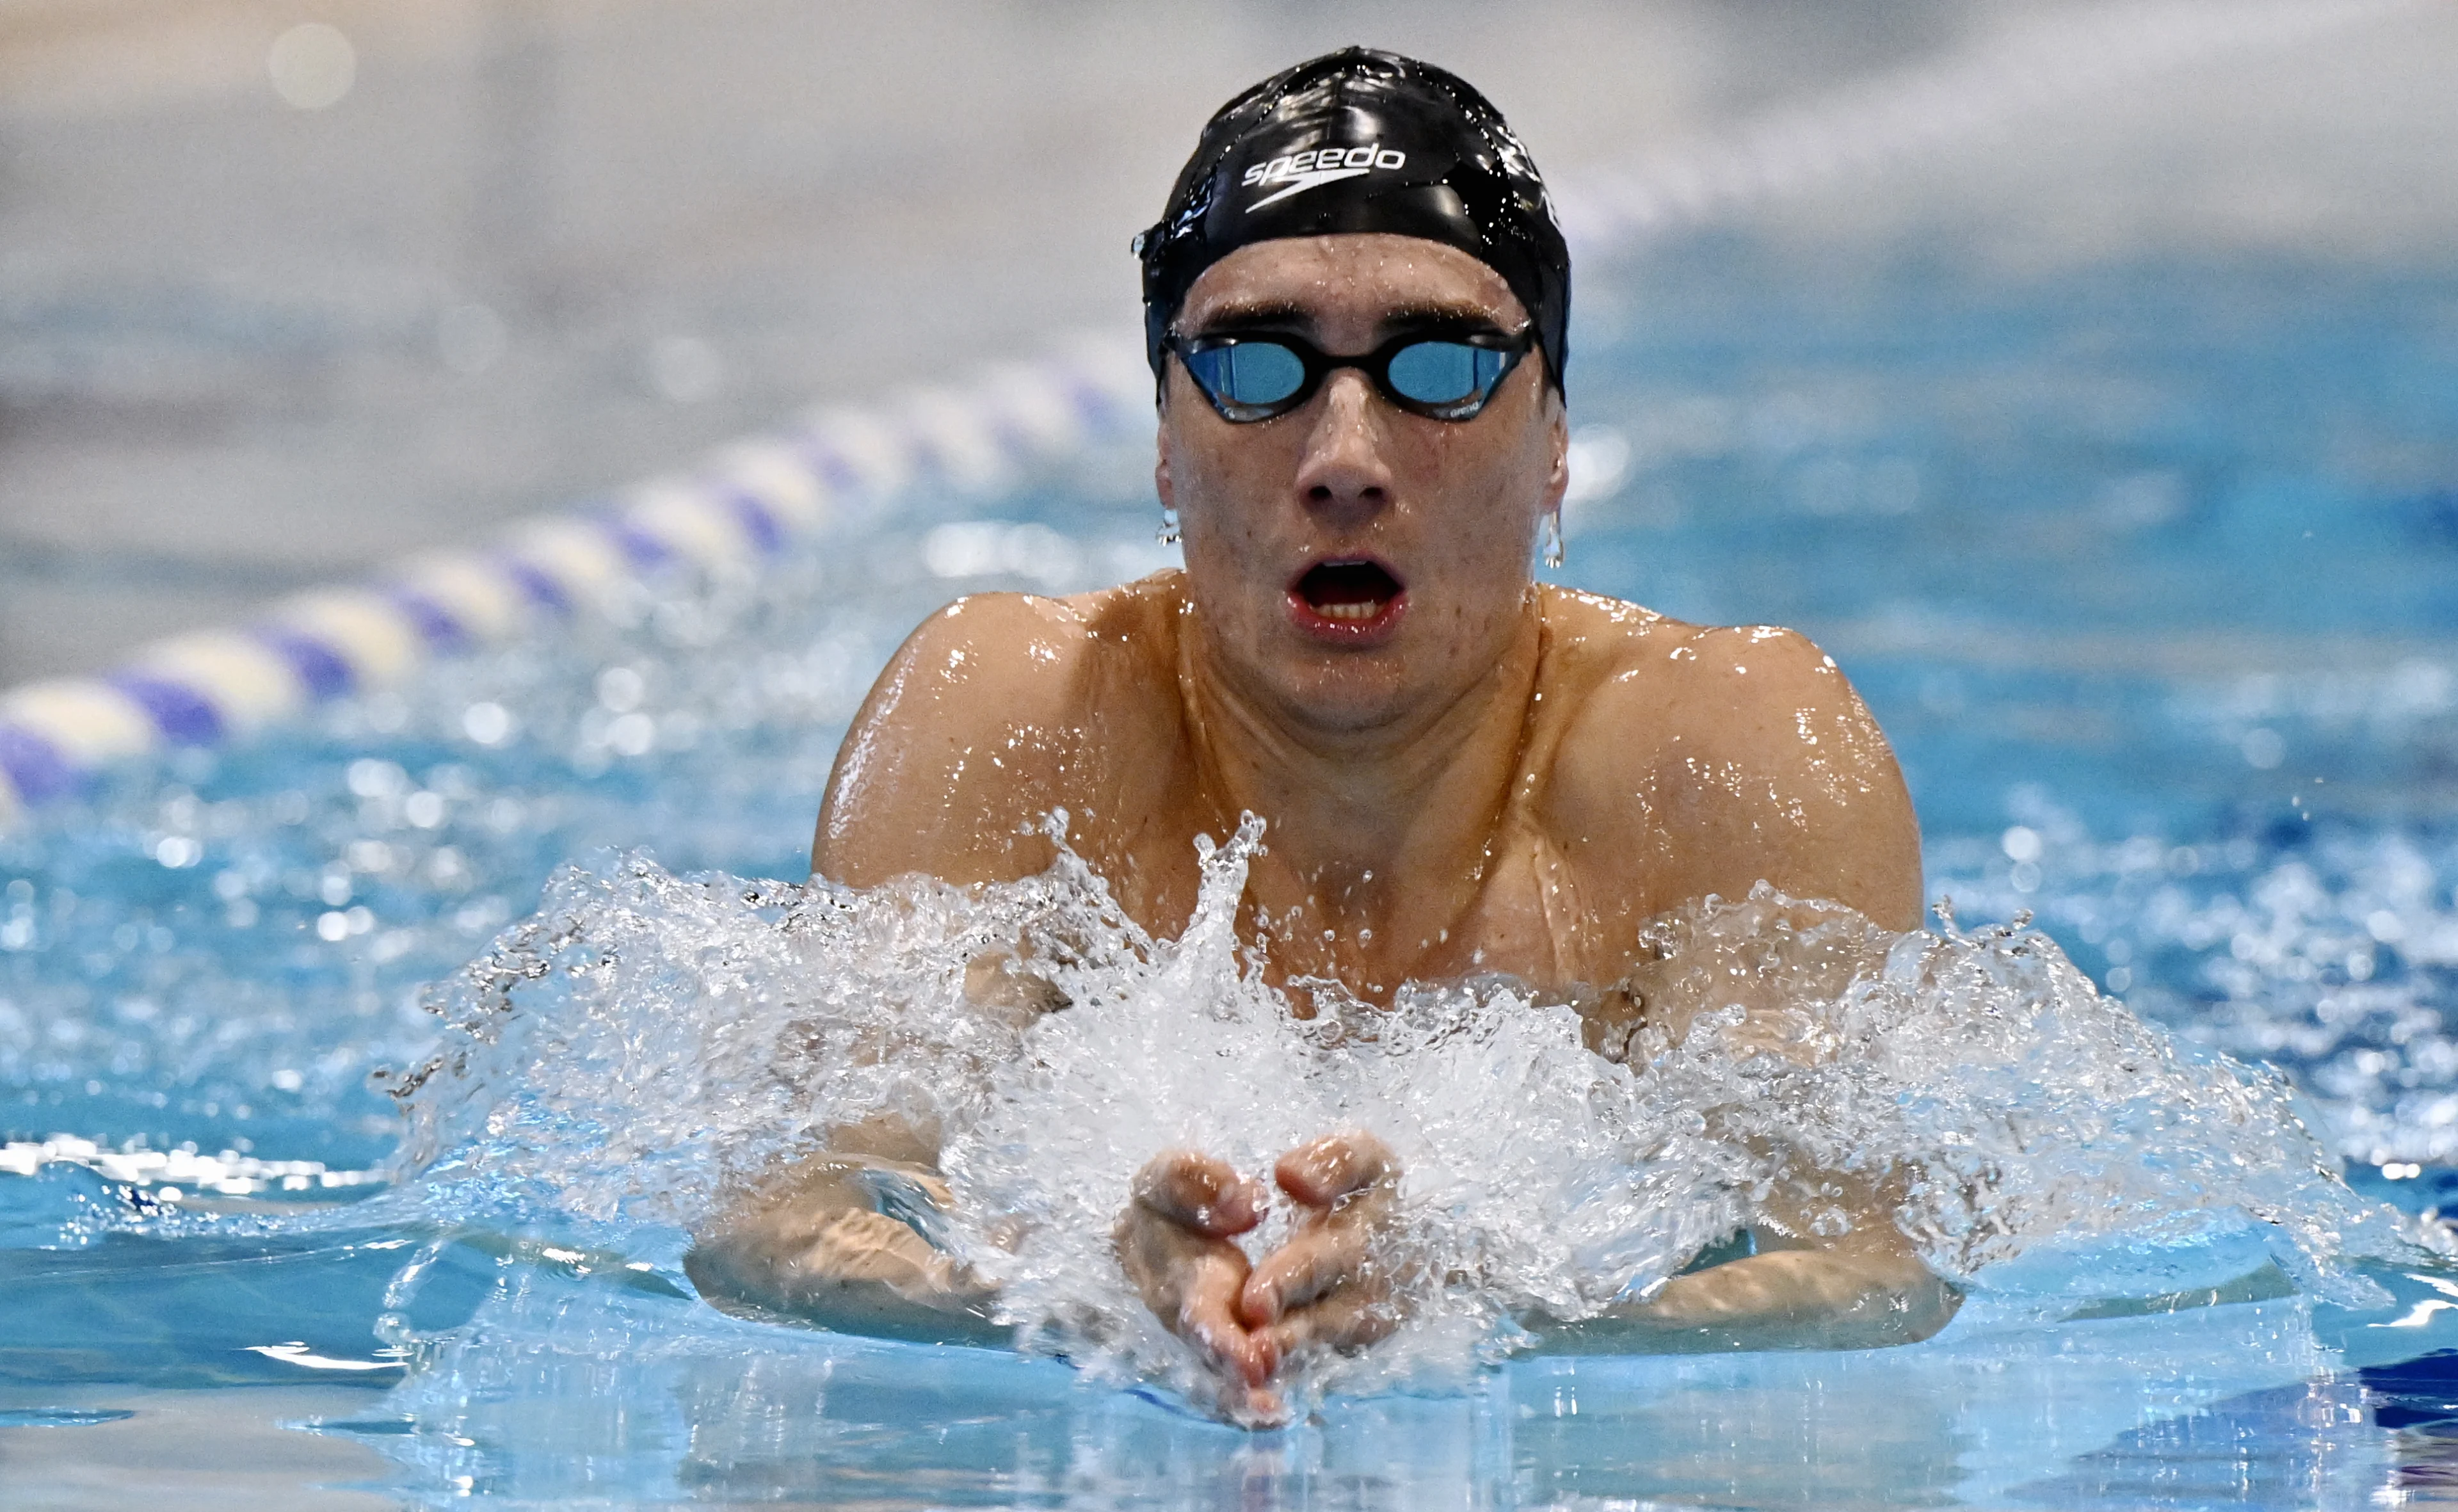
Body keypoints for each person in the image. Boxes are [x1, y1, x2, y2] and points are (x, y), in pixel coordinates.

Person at [685, 47, 1957, 1419]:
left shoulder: (1724, 754)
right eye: (1255, 362)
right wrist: (1065, 1289)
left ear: (1556, 444)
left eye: (1440, 364)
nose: (1345, 450)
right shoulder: (1008, 720)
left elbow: (1864, 1271)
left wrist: (1486, 1308)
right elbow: (780, 1219)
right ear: (1165, 442)